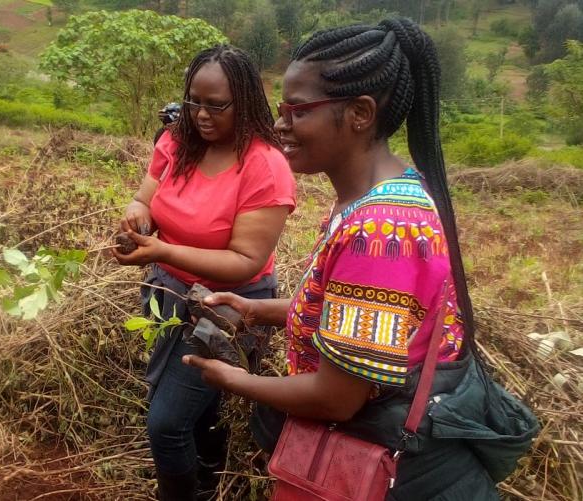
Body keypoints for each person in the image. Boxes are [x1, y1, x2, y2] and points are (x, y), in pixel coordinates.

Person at [183, 18, 537, 500]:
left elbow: (337, 397)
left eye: (297, 111)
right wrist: (256, 309)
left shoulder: (380, 229)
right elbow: (366, 325)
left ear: (360, 113)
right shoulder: (371, 200)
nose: (280, 124)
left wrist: (236, 380)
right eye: (281, 109)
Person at [113, 44, 296, 501]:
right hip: (166, 289)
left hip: (228, 305)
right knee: (194, 397)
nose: (201, 114)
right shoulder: (178, 140)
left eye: (217, 105)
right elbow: (144, 198)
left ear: (247, 103)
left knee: (166, 422)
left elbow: (245, 262)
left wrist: (164, 250)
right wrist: (138, 221)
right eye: (194, 100)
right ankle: (210, 471)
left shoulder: (265, 167)